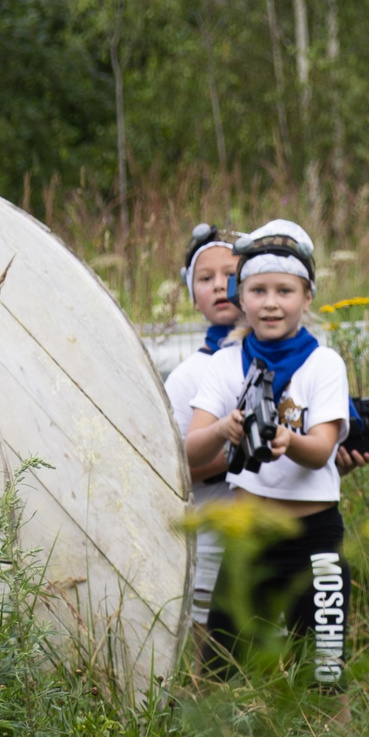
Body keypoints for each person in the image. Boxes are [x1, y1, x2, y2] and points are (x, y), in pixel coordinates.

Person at [183, 220, 352, 686]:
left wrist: (287, 441)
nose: (271, 303)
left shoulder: (324, 364)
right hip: (249, 537)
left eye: (285, 291)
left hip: (314, 541)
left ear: (307, 297)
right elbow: (192, 453)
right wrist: (224, 427)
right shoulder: (225, 364)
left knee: (325, 671)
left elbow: (320, 451)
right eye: (258, 290)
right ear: (242, 297)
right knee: (221, 665)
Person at [164, 222, 245, 631]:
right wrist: (240, 456)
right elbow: (169, 470)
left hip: (270, 543)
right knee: (208, 664)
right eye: (206, 278)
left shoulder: (284, 361)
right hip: (210, 544)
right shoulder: (186, 378)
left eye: (231, 276)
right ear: (192, 296)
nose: (219, 286)